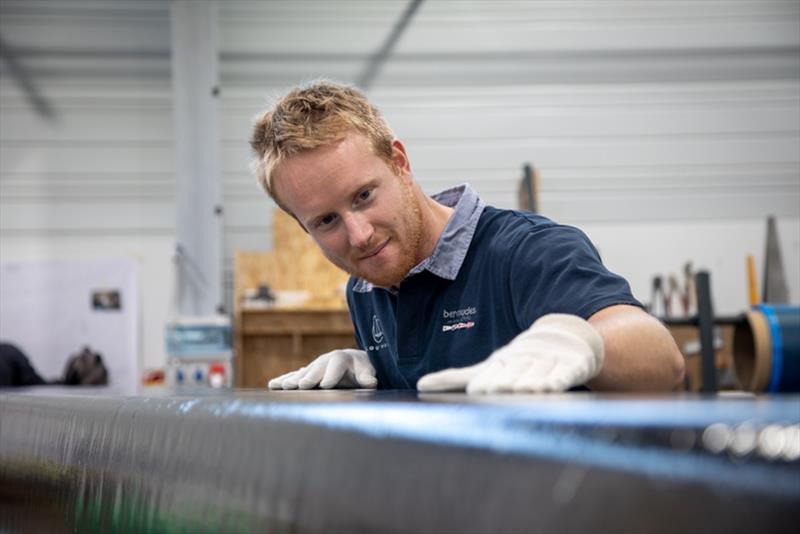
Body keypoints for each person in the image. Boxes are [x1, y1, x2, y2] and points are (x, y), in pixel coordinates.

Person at [250, 81, 684, 394]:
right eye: (326, 221)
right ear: (303, 227)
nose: (359, 235)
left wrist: (583, 340)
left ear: (399, 162)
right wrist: (379, 378)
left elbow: (662, 361)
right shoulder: (365, 290)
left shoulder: (524, 252)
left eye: (364, 195)